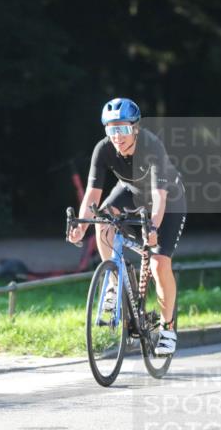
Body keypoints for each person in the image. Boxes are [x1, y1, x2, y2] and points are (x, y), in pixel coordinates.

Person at [67, 98, 186, 355]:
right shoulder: (103, 149)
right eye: (111, 129)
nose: (117, 136)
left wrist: (152, 229)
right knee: (102, 218)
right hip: (131, 191)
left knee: (159, 263)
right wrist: (81, 227)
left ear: (135, 128)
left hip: (168, 200)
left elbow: (160, 198)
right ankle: (113, 280)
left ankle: (167, 328)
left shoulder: (151, 146)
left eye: (122, 129)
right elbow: (92, 195)